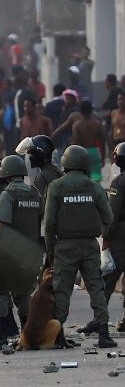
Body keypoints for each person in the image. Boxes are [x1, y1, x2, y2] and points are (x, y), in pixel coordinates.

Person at [44, 145, 115, 348]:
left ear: (65, 163)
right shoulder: (94, 188)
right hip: (89, 246)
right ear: (85, 164)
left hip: (64, 247)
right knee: (96, 288)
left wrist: (51, 253)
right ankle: (103, 334)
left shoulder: (56, 187)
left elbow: (49, 225)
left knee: (62, 291)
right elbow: (108, 218)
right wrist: (96, 230)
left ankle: (58, 336)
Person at [0, 155, 42, 350]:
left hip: (9, 250)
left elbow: (2, 225)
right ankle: (28, 334)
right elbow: (40, 217)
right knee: (23, 293)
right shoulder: (33, 192)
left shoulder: (8, 194)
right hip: (28, 252)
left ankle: (1, 335)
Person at [102, 143, 125, 333]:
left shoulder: (118, 183)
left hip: (121, 236)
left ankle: (99, 319)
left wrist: (106, 236)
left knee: (109, 277)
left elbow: (113, 214)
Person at [17, 134, 62, 202]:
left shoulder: (41, 178)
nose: (30, 157)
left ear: (41, 154)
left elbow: (39, 205)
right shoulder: (58, 171)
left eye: (32, 153)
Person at [70, 101, 106, 181]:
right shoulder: (97, 124)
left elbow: (76, 141)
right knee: (96, 180)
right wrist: (103, 159)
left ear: (80, 111)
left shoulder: (77, 125)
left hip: (82, 153)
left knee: (83, 180)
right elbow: (102, 143)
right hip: (94, 152)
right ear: (91, 110)